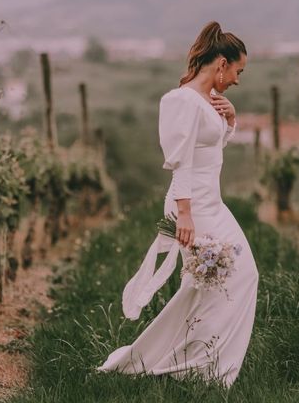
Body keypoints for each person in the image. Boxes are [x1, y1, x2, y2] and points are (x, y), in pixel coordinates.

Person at [96, 21, 259, 388]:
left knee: (231, 278)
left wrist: (230, 122)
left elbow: (208, 153)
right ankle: (198, 366)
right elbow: (180, 161)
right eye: (237, 71)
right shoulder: (180, 100)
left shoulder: (208, 102)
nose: (237, 80)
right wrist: (184, 214)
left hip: (210, 202)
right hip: (192, 205)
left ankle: (205, 361)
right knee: (211, 283)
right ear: (221, 64)